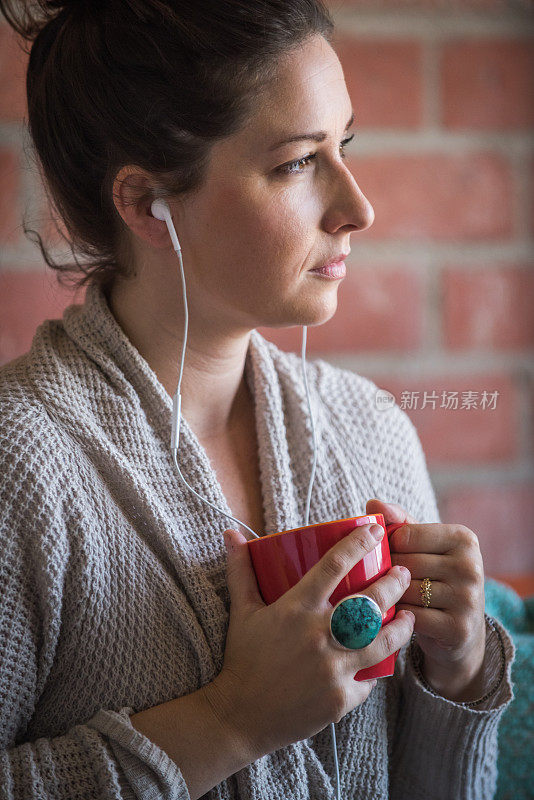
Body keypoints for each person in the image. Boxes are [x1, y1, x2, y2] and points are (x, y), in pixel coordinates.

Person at [0, 1, 515, 799]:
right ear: (145, 204)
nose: (359, 208)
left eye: (343, 145)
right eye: (297, 163)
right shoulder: (22, 464)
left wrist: (459, 673)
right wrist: (230, 721)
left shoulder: (370, 428)